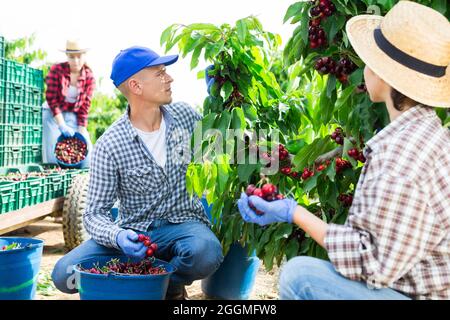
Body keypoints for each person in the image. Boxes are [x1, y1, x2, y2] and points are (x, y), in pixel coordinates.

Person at [238, 1, 450, 300]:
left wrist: (293, 213)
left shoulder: (400, 156)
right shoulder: (432, 135)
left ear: (384, 74)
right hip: (422, 286)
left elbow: (373, 265)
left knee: (301, 276)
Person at [51, 46, 223, 300]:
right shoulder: (111, 144)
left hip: (182, 226)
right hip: (135, 236)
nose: (170, 78)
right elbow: (94, 214)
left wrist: (219, 100)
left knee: (206, 252)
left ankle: (166, 284)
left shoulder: (185, 116)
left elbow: (223, 144)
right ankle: (150, 281)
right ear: (136, 86)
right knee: (64, 274)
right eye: (160, 73)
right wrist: (118, 236)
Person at [42, 39, 95, 168]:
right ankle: (54, 175)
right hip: (52, 113)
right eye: (72, 57)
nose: (76, 61)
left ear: (84, 56)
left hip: (73, 114)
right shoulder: (57, 70)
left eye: (79, 56)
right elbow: (52, 100)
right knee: (53, 149)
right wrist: (61, 125)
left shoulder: (89, 77)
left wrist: (81, 131)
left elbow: (84, 107)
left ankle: (79, 181)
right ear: (67, 56)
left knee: (87, 155)